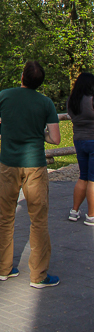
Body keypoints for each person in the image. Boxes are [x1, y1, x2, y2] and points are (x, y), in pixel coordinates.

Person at [0, 60, 61, 288]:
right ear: (40, 82)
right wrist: (40, 134)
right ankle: (38, 275)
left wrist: (9, 129)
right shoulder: (46, 103)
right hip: (35, 165)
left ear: (22, 77)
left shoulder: (5, 96)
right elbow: (55, 138)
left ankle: (3, 268)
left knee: (5, 216)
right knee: (38, 219)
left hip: (8, 163)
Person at [66, 72, 94, 224]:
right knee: (93, 179)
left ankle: (74, 211)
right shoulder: (92, 100)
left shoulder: (72, 101)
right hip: (93, 139)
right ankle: (91, 215)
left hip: (79, 140)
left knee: (83, 176)